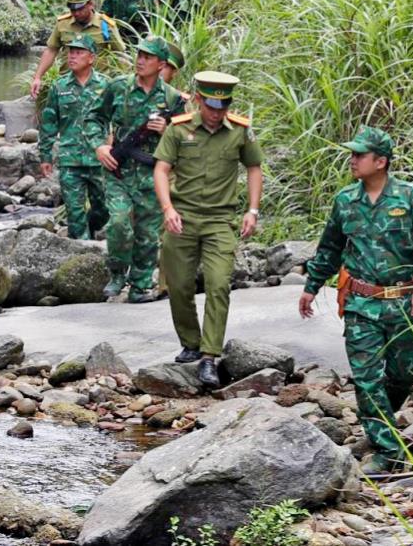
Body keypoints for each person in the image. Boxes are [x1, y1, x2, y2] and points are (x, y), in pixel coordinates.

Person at [298, 126, 413, 475]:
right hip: (361, 304)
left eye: (360, 155)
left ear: (381, 161)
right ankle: (387, 449)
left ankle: (380, 421)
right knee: (366, 379)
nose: (352, 160)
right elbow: (330, 247)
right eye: (352, 153)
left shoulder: (410, 197)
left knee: (404, 372)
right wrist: (311, 285)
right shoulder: (345, 201)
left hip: (403, 301)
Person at [153, 72, 264, 388]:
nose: (218, 113)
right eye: (213, 106)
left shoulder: (240, 132)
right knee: (178, 285)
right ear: (199, 100)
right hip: (182, 217)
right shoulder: (179, 129)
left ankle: (209, 357)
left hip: (220, 221)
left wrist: (252, 210)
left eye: (224, 106)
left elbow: (254, 168)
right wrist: (168, 209)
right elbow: (161, 170)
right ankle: (190, 342)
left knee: (218, 284)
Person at [85, 36, 186, 303]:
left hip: (153, 174)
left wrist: (167, 131)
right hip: (119, 168)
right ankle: (118, 273)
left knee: (147, 233)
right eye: (138, 55)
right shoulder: (118, 87)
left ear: (161, 64)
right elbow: (94, 117)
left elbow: (187, 139)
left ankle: (140, 286)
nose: (140, 61)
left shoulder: (172, 98)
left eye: (147, 57)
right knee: (118, 222)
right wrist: (99, 147)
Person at [37, 34, 110, 240]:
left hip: (99, 160)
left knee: (103, 209)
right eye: (70, 52)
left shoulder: (106, 85)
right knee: (75, 215)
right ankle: (83, 253)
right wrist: (45, 156)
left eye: (79, 52)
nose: (72, 56)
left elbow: (117, 120)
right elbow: (49, 123)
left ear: (91, 58)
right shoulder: (59, 87)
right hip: (70, 161)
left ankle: (90, 232)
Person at [30, 0, 126, 98]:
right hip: (67, 86)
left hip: (97, 87)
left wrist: (121, 84)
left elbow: (120, 55)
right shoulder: (63, 24)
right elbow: (51, 50)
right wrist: (37, 77)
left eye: (80, 9)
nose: (76, 13)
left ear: (91, 4)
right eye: (72, 9)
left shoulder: (105, 25)